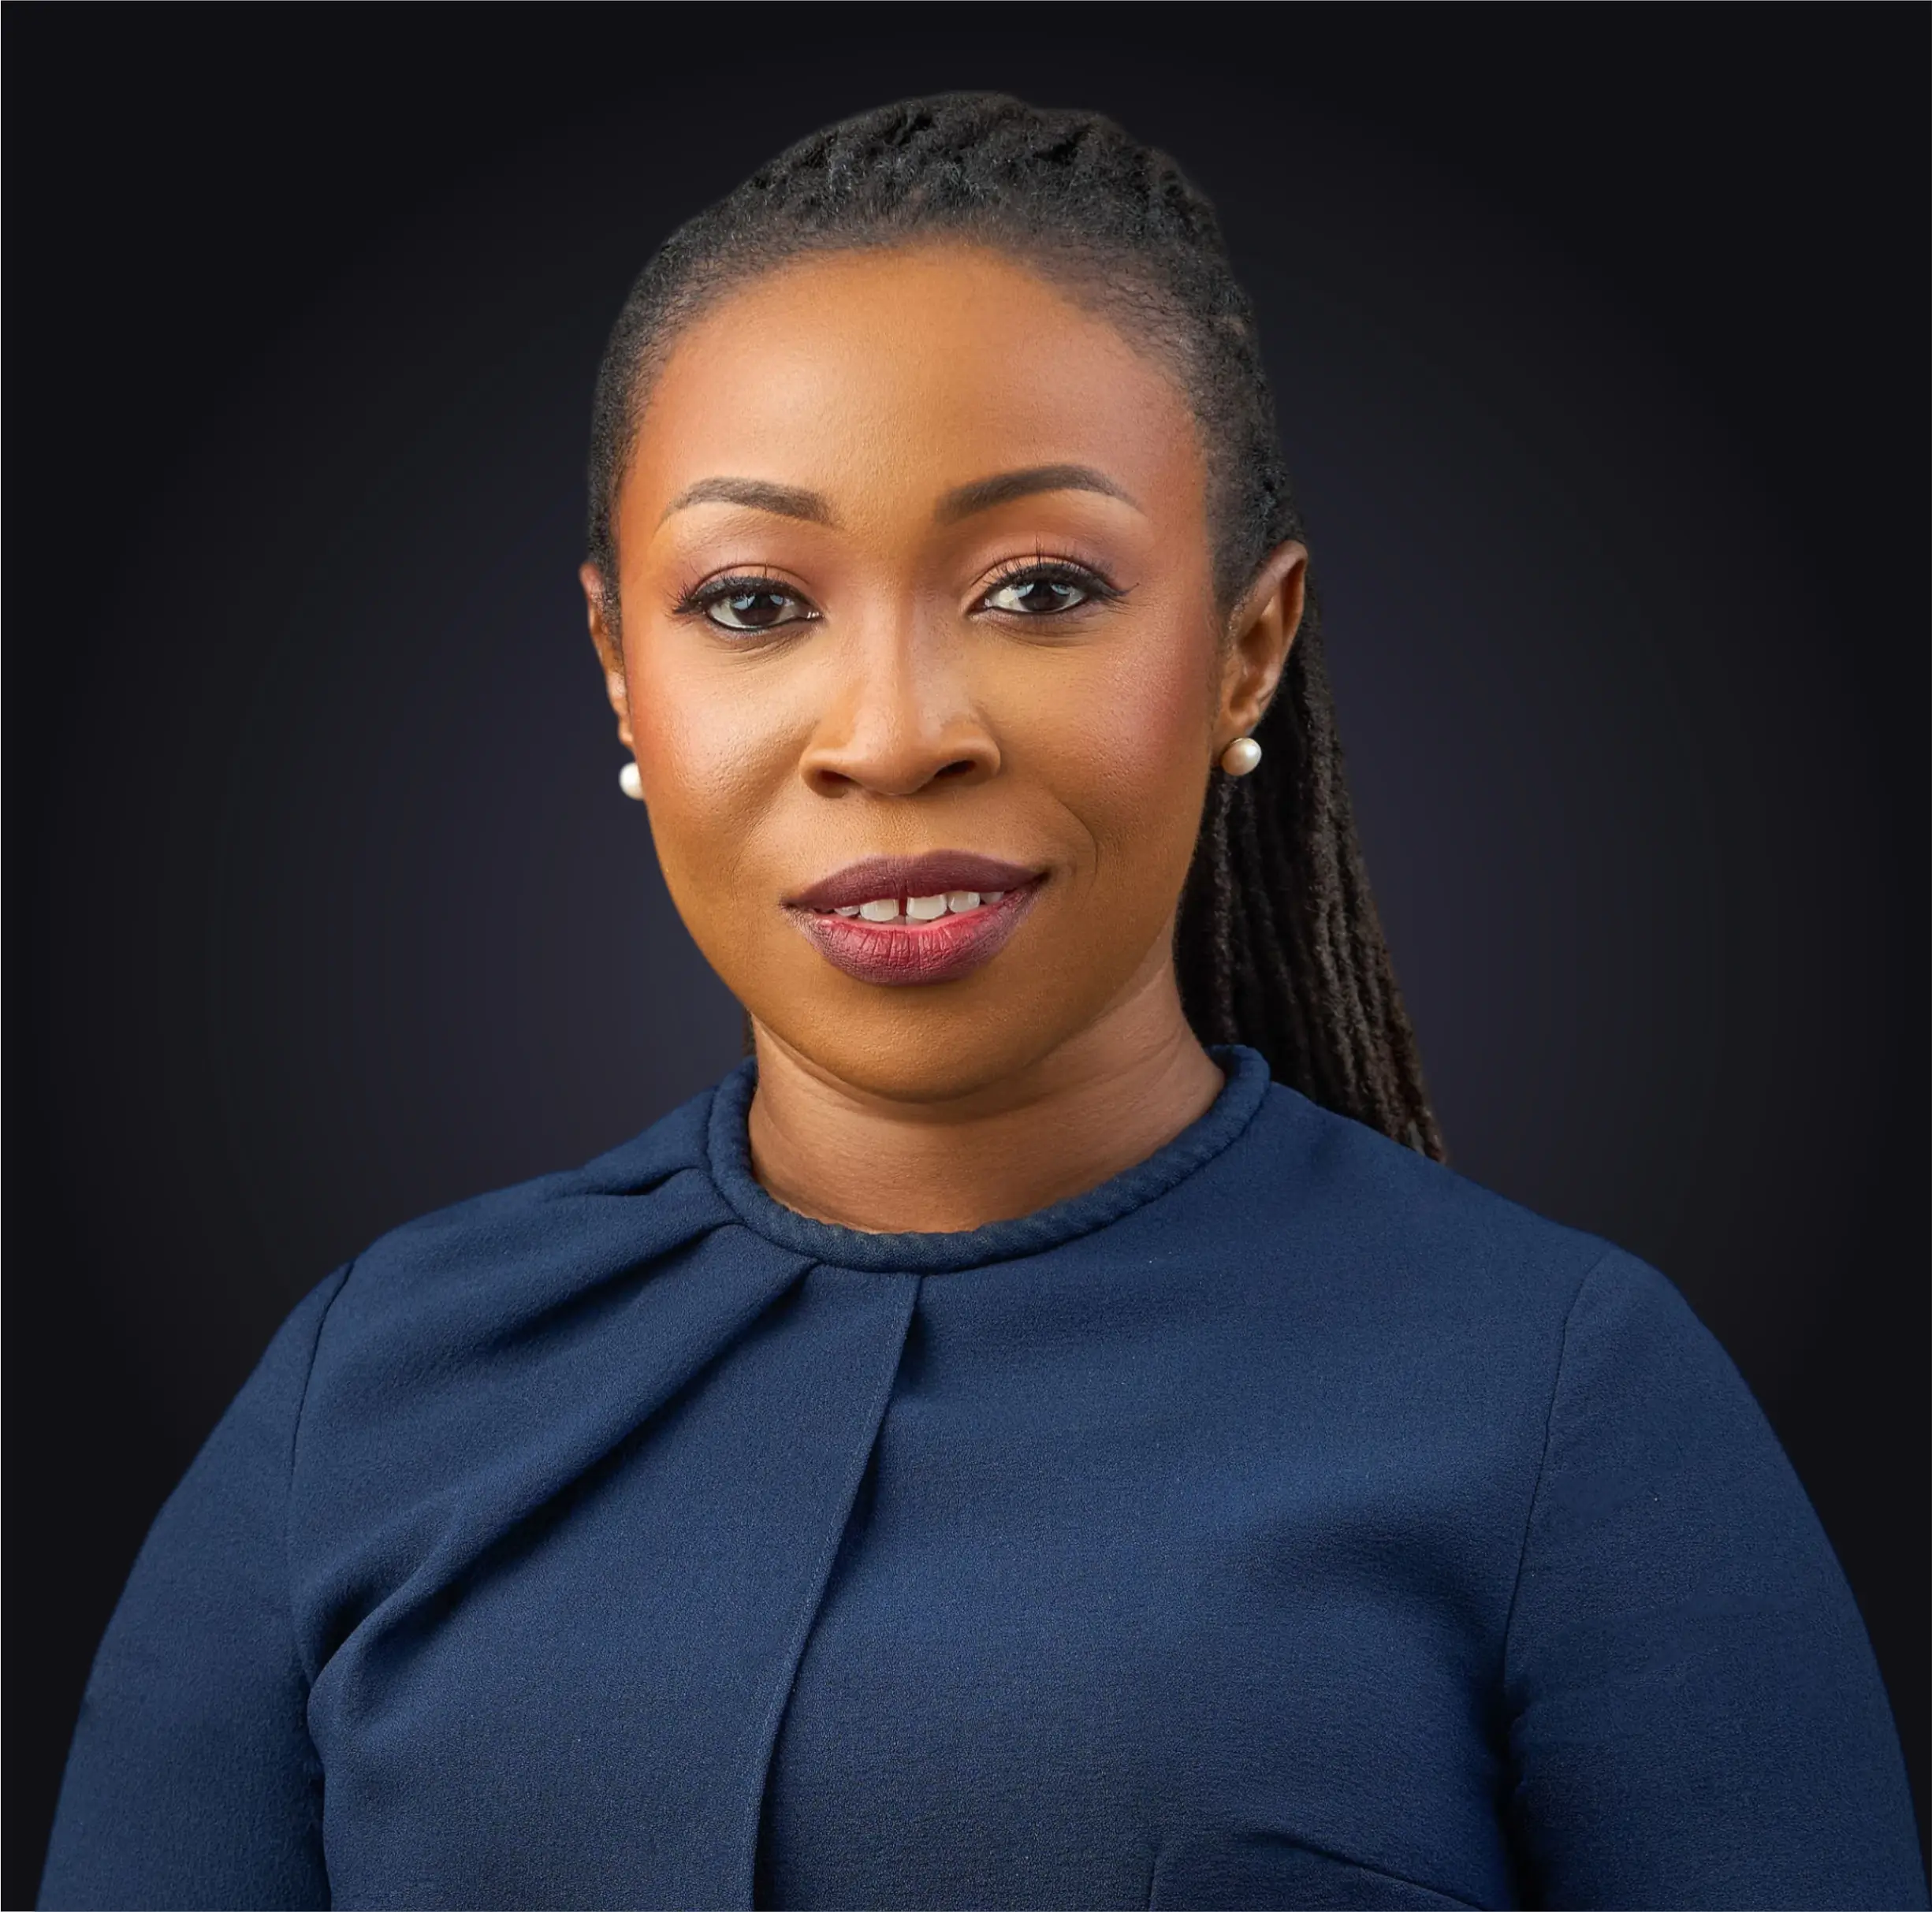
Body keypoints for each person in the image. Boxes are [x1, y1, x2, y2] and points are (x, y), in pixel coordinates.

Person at [39, 93, 1925, 1912]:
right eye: (754, 603)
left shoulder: (1569, 1400)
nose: (890, 735)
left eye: (1037, 588)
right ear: (619, 667)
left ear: (1246, 646)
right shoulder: (367, 1387)